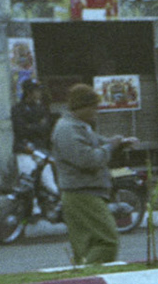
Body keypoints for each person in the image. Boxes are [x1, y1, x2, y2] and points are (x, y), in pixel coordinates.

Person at [50, 83, 132, 267]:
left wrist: (120, 144)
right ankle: (89, 277)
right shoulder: (67, 129)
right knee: (107, 241)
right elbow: (88, 159)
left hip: (83, 193)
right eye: (93, 107)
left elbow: (98, 143)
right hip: (83, 193)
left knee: (85, 248)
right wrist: (110, 147)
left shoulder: (80, 126)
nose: (96, 112)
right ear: (82, 107)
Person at [11, 79, 53, 154]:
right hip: (24, 149)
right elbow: (21, 130)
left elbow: (46, 128)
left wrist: (31, 126)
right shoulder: (18, 109)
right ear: (28, 92)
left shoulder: (42, 108)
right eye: (37, 91)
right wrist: (38, 125)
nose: (40, 93)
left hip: (41, 148)